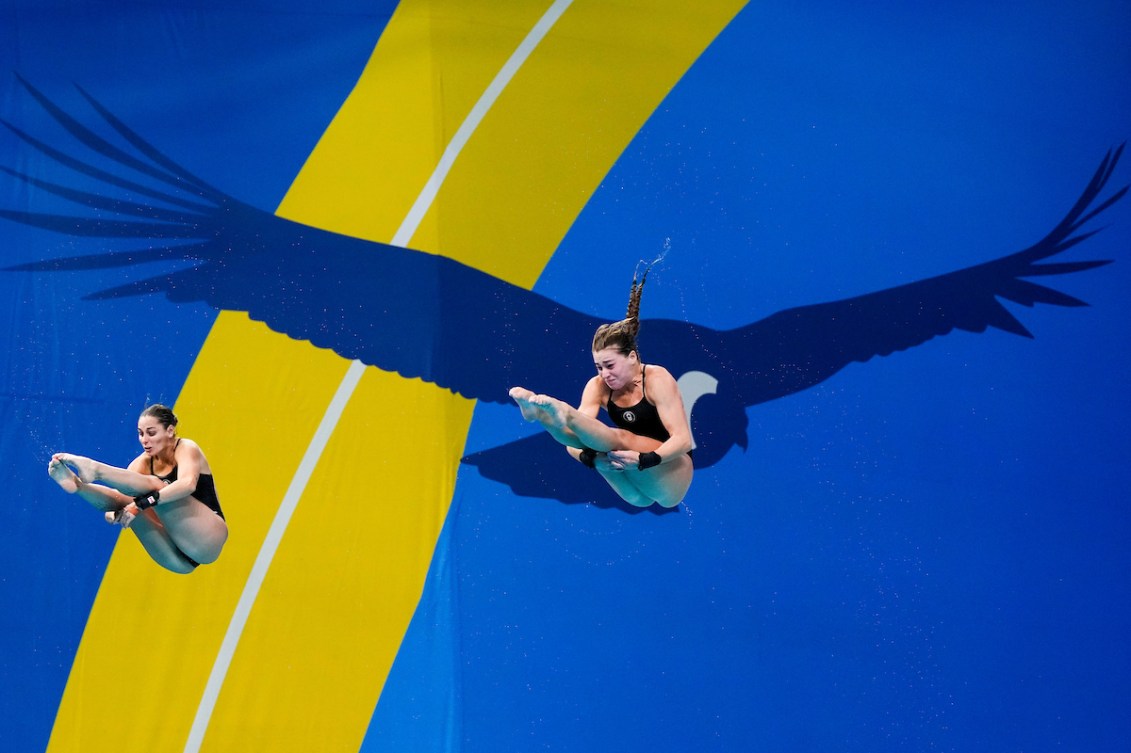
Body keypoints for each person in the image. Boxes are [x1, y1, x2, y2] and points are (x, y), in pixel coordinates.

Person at [510, 263, 693, 508]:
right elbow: (575, 444)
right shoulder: (597, 386)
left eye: (609, 365)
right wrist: (593, 460)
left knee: (620, 437)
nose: (604, 374)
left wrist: (645, 459)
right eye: (598, 367)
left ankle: (564, 413)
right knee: (593, 445)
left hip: (671, 472)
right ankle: (540, 415)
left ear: (632, 357)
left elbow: (682, 439)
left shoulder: (657, 378)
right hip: (632, 484)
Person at [47, 404, 228, 574]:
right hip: (178, 561)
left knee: (155, 486)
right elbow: (117, 500)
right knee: (125, 502)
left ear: (170, 431)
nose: (144, 440)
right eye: (141, 434)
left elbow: (187, 484)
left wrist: (139, 504)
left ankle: (96, 470)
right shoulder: (141, 464)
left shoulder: (186, 448)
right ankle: (79, 486)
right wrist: (115, 514)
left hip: (208, 538)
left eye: (151, 433)